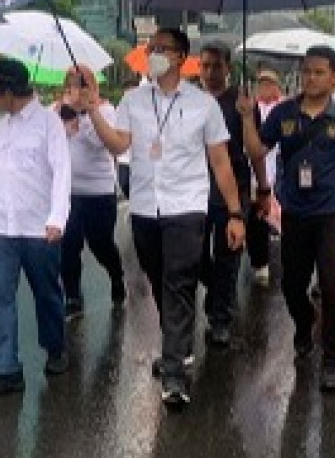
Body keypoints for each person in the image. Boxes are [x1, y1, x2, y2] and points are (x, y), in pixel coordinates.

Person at [85, 28, 246, 408]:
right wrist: (93, 109)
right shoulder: (132, 100)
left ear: (181, 57)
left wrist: (235, 213)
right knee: (160, 281)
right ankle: (180, 343)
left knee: (179, 282)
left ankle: (174, 373)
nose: (154, 53)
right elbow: (119, 144)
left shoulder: (203, 105)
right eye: (150, 48)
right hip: (144, 207)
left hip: (187, 206)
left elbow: (221, 163)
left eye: (162, 48)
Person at [242, 45, 335, 394]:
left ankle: (333, 361)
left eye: (319, 72)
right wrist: (246, 117)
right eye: (306, 72)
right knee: (292, 285)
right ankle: (304, 324)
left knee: (334, 287)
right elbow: (257, 150)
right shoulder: (283, 114)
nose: (311, 78)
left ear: (334, 78)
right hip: (296, 213)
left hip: (334, 214)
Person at [0, 59, 71, 398]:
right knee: (1, 296)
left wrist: (57, 217)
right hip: (4, 228)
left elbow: (62, 171)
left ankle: (55, 347)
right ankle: (7, 369)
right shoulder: (3, 127)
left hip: (39, 229)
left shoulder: (49, 124)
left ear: (10, 90)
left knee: (46, 294)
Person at [195, 41, 268, 347]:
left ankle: (220, 319)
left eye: (217, 66)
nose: (211, 72)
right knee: (195, 257)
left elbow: (255, 152)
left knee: (227, 256)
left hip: (234, 190)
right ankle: (217, 293)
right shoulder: (189, 100)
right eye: (206, 66)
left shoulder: (241, 101)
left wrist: (263, 188)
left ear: (228, 68)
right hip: (195, 190)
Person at [54, 66, 126, 319]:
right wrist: (63, 118)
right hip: (69, 192)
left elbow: (102, 143)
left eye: (82, 84)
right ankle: (73, 295)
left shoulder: (105, 110)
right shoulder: (58, 111)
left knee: (101, 244)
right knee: (69, 244)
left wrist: (85, 114)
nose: (76, 90)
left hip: (99, 191)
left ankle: (116, 274)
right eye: (71, 84)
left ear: (92, 87)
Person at [249, 67, 285, 285]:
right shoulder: (252, 109)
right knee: (257, 218)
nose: (264, 88)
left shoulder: (283, 109)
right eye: (261, 84)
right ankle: (260, 262)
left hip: (279, 171)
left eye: (269, 84)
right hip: (256, 173)